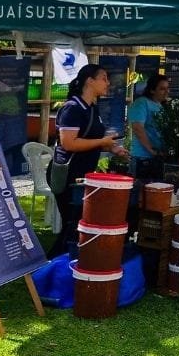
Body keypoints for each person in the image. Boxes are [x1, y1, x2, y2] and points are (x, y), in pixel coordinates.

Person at [48, 64, 128, 258]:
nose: (108, 83)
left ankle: (65, 261)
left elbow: (89, 140)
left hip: (83, 175)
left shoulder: (93, 107)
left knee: (76, 221)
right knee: (72, 222)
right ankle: (53, 263)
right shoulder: (73, 108)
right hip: (66, 174)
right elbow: (69, 143)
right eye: (103, 78)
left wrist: (112, 147)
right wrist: (102, 141)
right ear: (89, 81)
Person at [129, 73, 170, 183]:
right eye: (162, 89)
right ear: (152, 90)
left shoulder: (162, 106)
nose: (166, 92)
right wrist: (151, 150)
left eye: (167, 88)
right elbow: (138, 128)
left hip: (157, 157)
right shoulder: (142, 103)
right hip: (142, 157)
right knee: (141, 193)